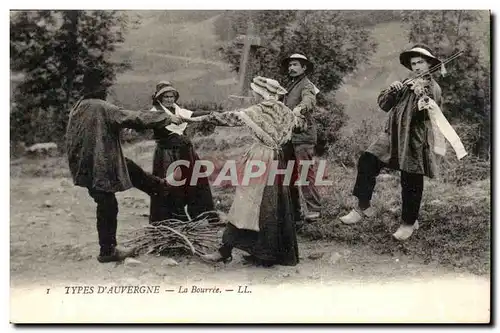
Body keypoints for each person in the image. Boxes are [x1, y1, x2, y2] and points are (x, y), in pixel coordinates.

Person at [339, 44, 466, 241]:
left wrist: (421, 95)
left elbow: (427, 111)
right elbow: (384, 105)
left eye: (420, 62)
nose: (416, 67)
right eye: (413, 63)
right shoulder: (407, 82)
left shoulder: (433, 88)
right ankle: (362, 207)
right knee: (367, 160)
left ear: (429, 63)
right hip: (392, 134)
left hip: (415, 138)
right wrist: (392, 90)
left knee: (411, 179)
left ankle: (409, 222)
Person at [184, 76, 303, 267]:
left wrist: (189, 118)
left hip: (261, 158)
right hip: (277, 158)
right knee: (271, 205)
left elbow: (226, 118)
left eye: (254, 92)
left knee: (246, 204)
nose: (252, 95)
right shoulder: (286, 112)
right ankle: (264, 253)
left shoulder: (257, 110)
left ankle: (225, 251)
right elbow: (299, 124)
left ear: (261, 94)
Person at [65, 68, 180, 263]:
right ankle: (108, 251)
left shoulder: (79, 107)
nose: (107, 92)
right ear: (100, 89)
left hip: (87, 164)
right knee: (107, 204)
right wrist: (167, 118)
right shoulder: (102, 107)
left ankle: (161, 187)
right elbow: (134, 117)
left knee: (129, 167)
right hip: (98, 165)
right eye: (105, 88)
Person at [148, 82, 217, 223]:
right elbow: (153, 122)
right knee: (171, 187)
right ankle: (172, 220)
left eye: (172, 96)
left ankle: (201, 217)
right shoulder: (155, 113)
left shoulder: (177, 110)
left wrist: (212, 114)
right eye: (166, 97)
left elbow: (193, 114)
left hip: (186, 153)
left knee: (196, 182)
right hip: (167, 155)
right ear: (159, 98)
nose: (169, 99)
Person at [280, 53, 322, 224]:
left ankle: (314, 209)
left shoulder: (307, 85)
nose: (291, 68)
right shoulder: (291, 86)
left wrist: (300, 108)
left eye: (295, 64)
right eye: (290, 65)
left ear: (304, 68)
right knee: (287, 174)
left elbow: (309, 100)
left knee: (305, 171)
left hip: (302, 136)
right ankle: (294, 212)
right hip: (289, 136)